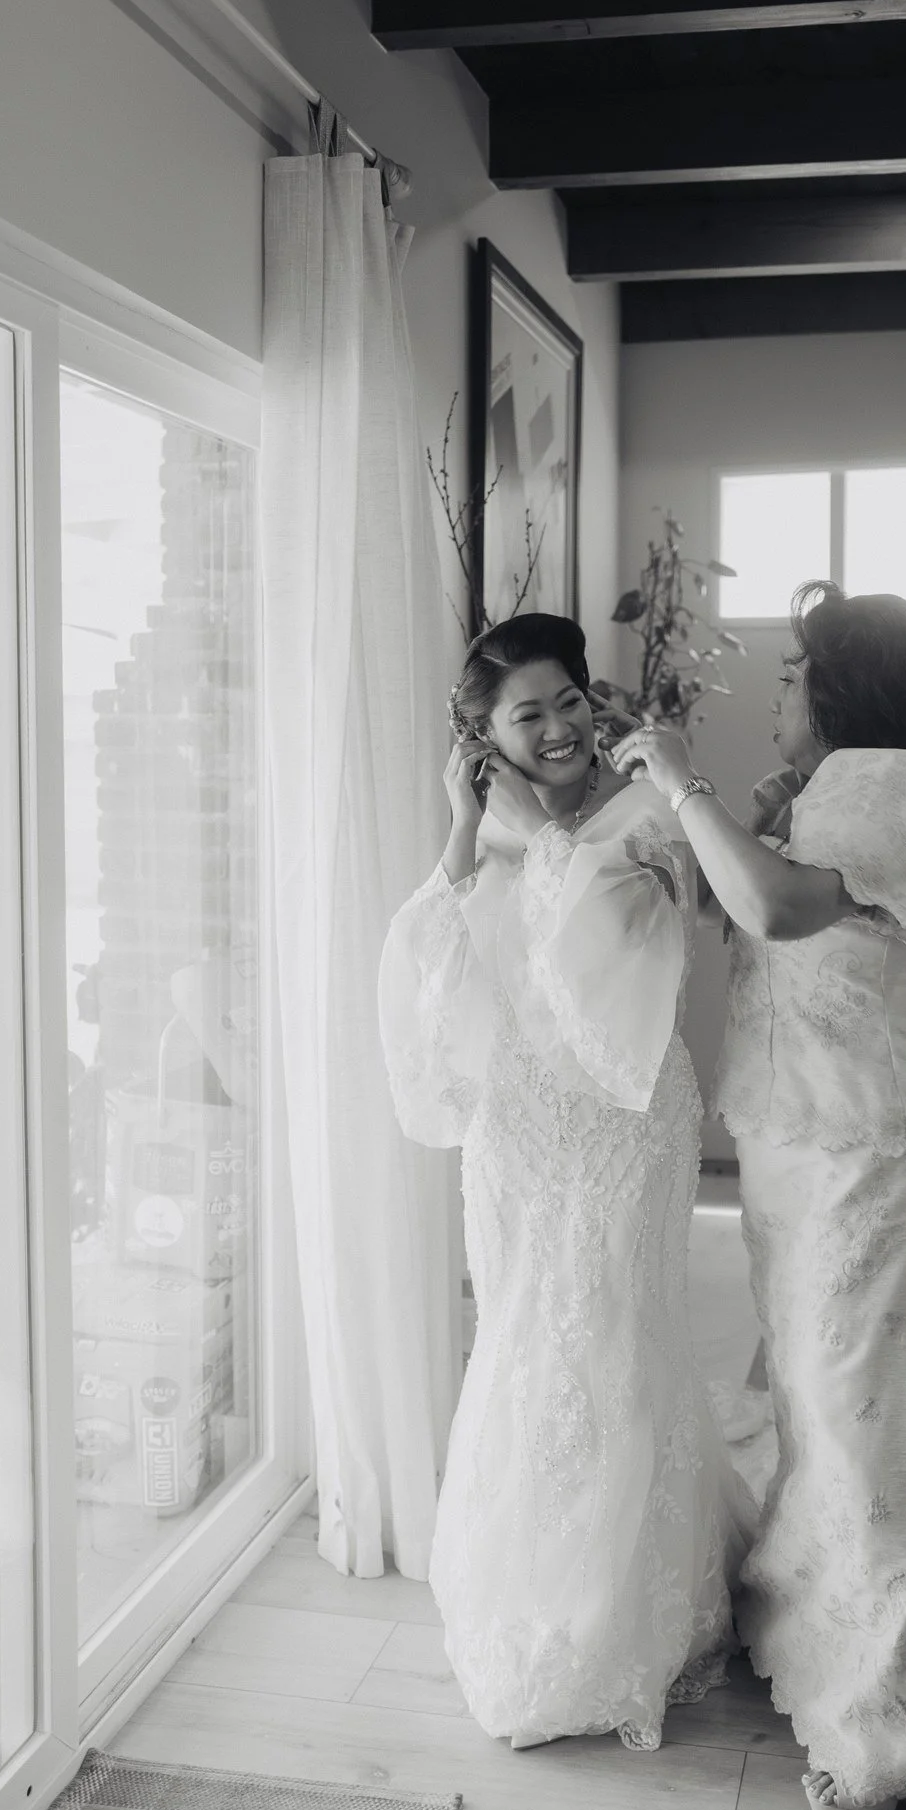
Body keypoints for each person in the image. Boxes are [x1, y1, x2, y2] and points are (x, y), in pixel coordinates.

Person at [611, 584, 906, 1810]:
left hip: (864, 1163)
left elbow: (776, 908)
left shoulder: (892, 778)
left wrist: (680, 781)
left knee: (868, 1432)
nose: (778, 696)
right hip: (813, 1148)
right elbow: (772, 908)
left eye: (792, 676)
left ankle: (889, 1738)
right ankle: (816, 1631)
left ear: (847, 690)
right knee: (824, 1413)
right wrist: (753, 814)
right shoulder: (845, 793)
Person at [379, 613, 751, 1752]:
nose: (555, 728)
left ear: (596, 702)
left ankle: (621, 1611)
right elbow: (428, 965)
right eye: (524, 713)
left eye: (567, 701)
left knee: (619, 1336)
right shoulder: (480, 826)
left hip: (627, 1118)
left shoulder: (652, 802)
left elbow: (678, 924)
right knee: (527, 1336)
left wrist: (655, 850)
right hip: (519, 1125)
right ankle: (526, 1596)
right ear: (483, 735)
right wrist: (459, 826)